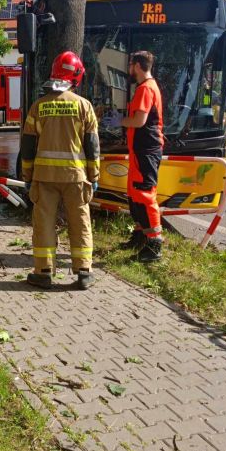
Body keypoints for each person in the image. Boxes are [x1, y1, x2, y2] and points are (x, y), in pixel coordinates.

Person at [19, 51, 101, 290]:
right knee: (80, 221)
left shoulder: (38, 107)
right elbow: (92, 147)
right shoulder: (84, 106)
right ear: (75, 77)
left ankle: (43, 272)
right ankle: (84, 272)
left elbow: (28, 147)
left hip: (44, 178)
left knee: (43, 222)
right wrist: (94, 176)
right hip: (76, 177)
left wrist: (28, 177)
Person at [109, 51, 165, 262]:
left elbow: (139, 121)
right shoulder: (147, 87)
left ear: (138, 65)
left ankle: (154, 244)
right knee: (134, 193)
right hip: (141, 150)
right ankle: (141, 235)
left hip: (146, 150)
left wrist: (118, 121)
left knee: (144, 194)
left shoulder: (145, 89)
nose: (129, 69)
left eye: (131, 64)